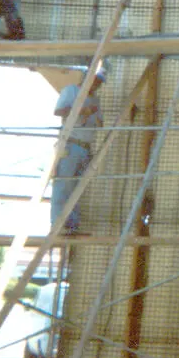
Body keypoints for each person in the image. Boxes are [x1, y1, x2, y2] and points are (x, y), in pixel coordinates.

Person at [51, 68, 105, 234]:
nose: (97, 86)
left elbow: (100, 123)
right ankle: (58, 225)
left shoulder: (95, 100)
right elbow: (59, 111)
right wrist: (81, 110)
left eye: (99, 83)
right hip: (71, 143)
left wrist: (94, 116)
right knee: (64, 184)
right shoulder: (72, 90)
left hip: (85, 147)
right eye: (96, 81)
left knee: (77, 188)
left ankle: (72, 226)